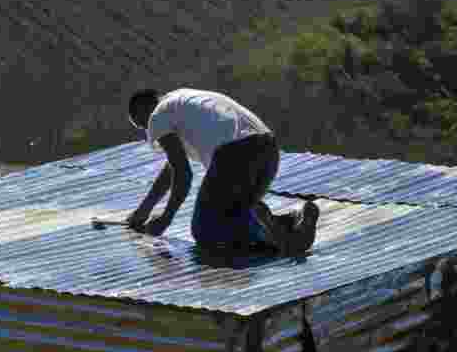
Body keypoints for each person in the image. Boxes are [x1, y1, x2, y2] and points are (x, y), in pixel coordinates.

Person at [125, 87, 319, 255]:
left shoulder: (158, 116)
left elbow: (183, 173)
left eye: (143, 126)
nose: (149, 132)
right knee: (234, 211)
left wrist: (165, 218)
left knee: (206, 231)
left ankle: (283, 243)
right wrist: (143, 211)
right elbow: (171, 168)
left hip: (235, 153)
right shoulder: (181, 101)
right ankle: (291, 220)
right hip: (268, 149)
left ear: (144, 111)